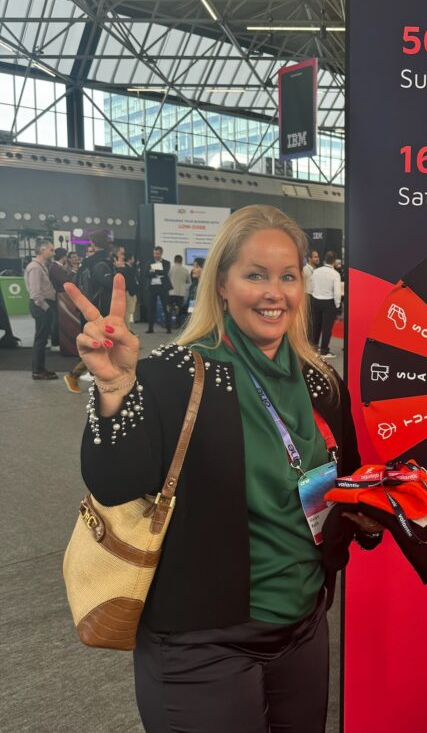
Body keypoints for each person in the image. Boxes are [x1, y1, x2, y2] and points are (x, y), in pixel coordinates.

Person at [64, 205, 382, 733]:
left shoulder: (320, 381)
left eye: (287, 276)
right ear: (222, 285)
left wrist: (375, 514)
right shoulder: (172, 375)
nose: (274, 293)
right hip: (200, 641)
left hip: (303, 627)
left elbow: (342, 484)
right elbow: (114, 483)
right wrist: (116, 387)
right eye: (255, 275)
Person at [63, 230, 114, 393]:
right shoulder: (101, 264)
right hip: (100, 310)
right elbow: (110, 285)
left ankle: (89, 377)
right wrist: (121, 272)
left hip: (90, 310)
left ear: (93, 243)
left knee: (101, 345)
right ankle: (74, 375)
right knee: (100, 346)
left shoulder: (87, 264)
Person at [23, 239, 57, 379]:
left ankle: (40, 369)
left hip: (42, 305)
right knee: (40, 340)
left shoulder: (40, 266)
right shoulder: (35, 267)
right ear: (43, 250)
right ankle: (37, 371)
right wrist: (46, 308)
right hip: (41, 306)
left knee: (42, 340)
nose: (53, 253)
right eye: (51, 250)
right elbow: (35, 293)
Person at [310, 250, 342, 359]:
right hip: (329, 302)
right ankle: (324, 351)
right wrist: (337, 305)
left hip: (316, 300)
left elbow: (312, 286)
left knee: (316, 326)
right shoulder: (335, 274)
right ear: (334, 261)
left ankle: (313, 349)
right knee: (327, 328)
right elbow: (337, 292)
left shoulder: (316, 271)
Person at [48, 247, 75, 349]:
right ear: (64, 257)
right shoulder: (55, 267)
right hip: (59, 296)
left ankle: (58, 342)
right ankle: (55, 343)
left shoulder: (57, 267)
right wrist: (73, 272)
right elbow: (65, 281)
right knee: (56, 320)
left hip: (61, 297)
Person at [145, 246, 171, 334]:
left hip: (163, 287)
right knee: (151, 308)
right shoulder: (149, 262)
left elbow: (165, 272)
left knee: (166, 307)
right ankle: (150, 328)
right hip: (152, 287)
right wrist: (158, 272)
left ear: (161, 253)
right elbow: (146, 274)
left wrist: (153, 271)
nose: (155, 255)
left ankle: (168, 328)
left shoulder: (166, 263)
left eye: (157, 253)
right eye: (154, 253)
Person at [168, 254, 190, 328]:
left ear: (174, 260)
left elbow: (167, 279)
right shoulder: (186, 270)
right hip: (181, 293)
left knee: (170, 308)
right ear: (181, 261)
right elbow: (188, 281)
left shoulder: (170, 269)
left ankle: (169, 323)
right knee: (179, 309)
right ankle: (177, 324)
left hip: (171, 292)